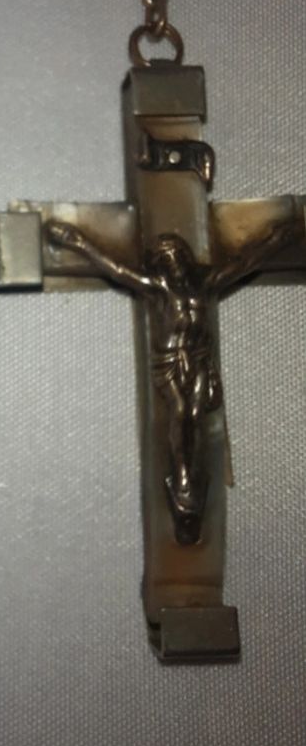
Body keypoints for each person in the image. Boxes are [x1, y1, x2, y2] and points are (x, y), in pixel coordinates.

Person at [47, 217, 300, 543]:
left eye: (176, 255)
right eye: (165, 258)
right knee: (180, 412)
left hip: (199, 357)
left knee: (196, 414)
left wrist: (277, 239)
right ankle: (181, 475)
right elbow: (117, 270)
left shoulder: (205, 281)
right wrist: (77, 242)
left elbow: (243, 263)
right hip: (168, 360)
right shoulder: (158, 286)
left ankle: (192, 482)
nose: (173, 262)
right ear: (159, 264)